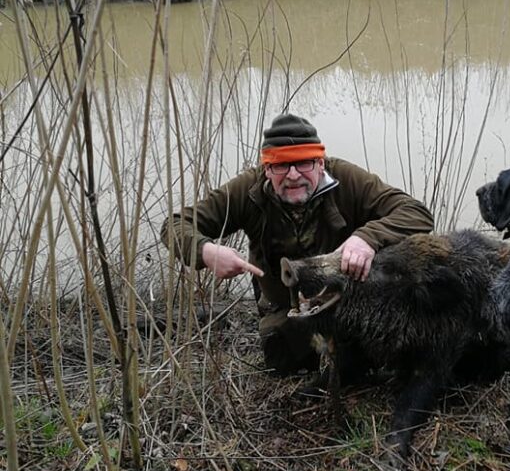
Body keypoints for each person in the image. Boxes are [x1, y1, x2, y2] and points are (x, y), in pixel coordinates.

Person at [161, 113, 434, 374]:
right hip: (289, 305)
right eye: (280, 165)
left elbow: (416, 213)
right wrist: (207, 252)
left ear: (321, 163)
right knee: (281, 359)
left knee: (369, 356)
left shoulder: (348, 179)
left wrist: (366, 239)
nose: (293, 175)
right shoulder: (247, 190)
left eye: (304, 163)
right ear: (267, 169)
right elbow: (174, 225)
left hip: (347, 296)